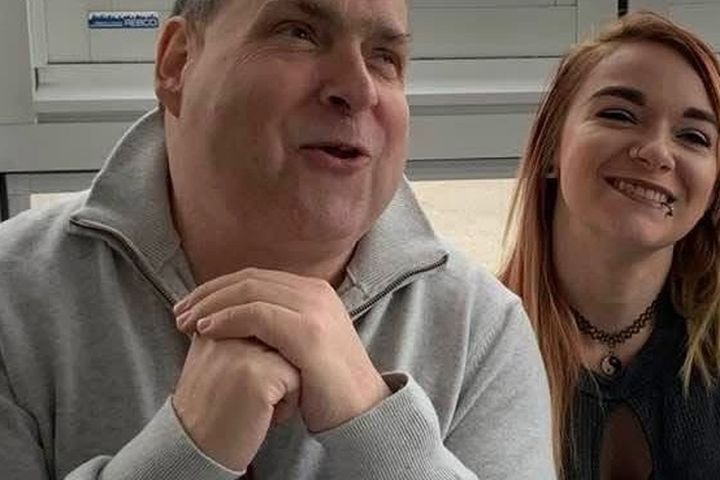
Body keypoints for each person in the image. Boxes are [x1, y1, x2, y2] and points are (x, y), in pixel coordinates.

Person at [0, 0, 555, 478]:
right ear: (178, 63)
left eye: (384, 57)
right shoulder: (11, 299)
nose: (358, 88)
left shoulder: (480, 330)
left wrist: (379, 428)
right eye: (299, 31)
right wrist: (185, 454)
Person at [500, 11, 720, 480]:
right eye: (619, 115)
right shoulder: (467, 344)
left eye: (694, 136)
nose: (657, 152)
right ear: (552, 148)